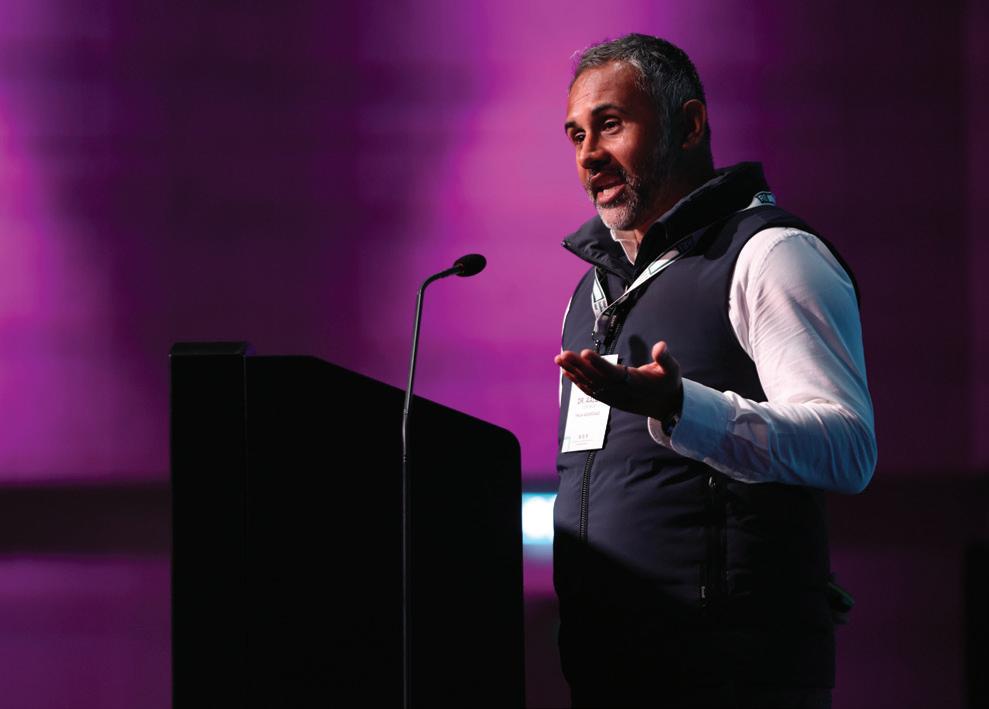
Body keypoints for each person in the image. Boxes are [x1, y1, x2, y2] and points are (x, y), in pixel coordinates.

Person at [553, 34, 877, 708]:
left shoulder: (771, 253)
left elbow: (848, 447)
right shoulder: (589, 294)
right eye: (577, 134)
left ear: (690, 124)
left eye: (610, 124)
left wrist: (682, 407)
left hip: (736, 671)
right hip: (609, 669)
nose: (587, 154)